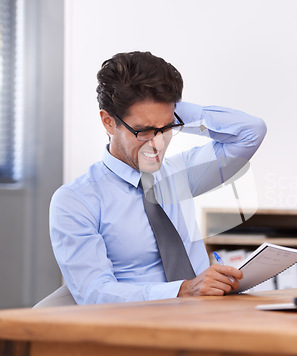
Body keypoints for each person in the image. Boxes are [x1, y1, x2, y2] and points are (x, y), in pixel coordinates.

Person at [47, 51, 266, 305]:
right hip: (137, 328)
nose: (158, 144)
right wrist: (183, 290)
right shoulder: (76, 200)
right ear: (108, 122)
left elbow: (251, 132)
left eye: (166, 128)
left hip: (204, 316)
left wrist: (173, 108)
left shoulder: (179, 172)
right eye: (144, 131)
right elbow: (95, 293)